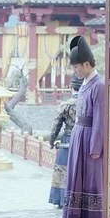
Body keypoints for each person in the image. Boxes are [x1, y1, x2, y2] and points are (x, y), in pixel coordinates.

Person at [62, 35, 105, 218]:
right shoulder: (85, 83)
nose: (75, 71)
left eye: (76, 67)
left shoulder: (99, 85)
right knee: (75, 178)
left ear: (87, 64)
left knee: (90, 180)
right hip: (78, 136)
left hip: (89, 139)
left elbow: (100, 118)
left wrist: (96, 147)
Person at [47, 74, 83, 208]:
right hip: (83, 139)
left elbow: (56, 126)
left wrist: (51, 141)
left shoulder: (65, 105)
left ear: (71, 87)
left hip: (67, 140)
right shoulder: (87, 103)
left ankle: (61, 200)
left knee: (62, 170)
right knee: (80, 170)